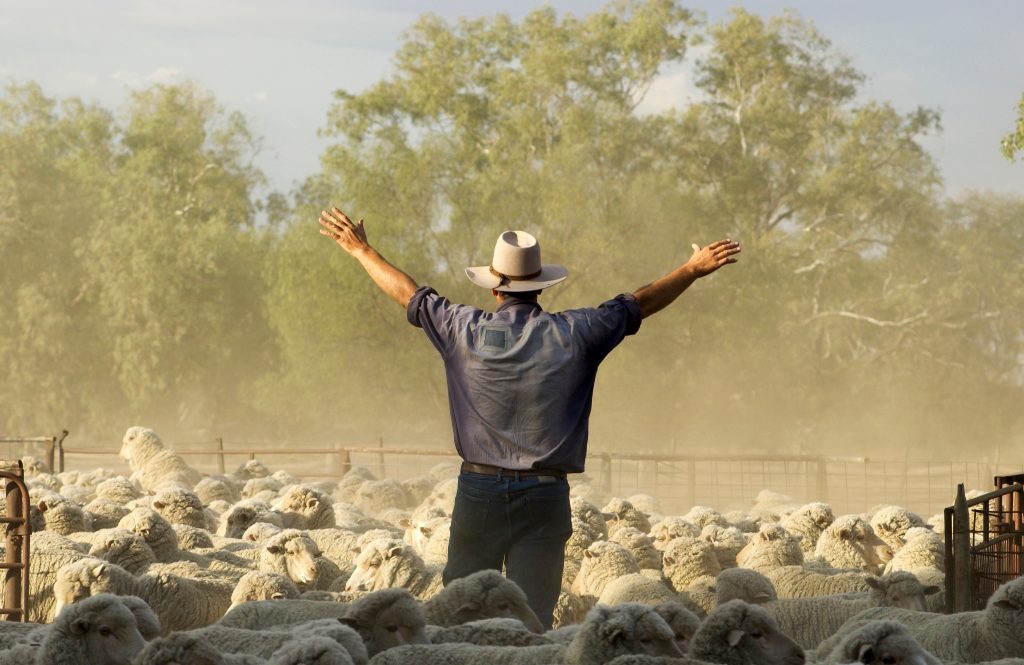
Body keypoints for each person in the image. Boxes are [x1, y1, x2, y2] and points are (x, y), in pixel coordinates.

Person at [318, 207, 740, 628]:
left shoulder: (461, 329)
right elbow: (637, 304)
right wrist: (691, 269)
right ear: (540, 287)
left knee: (460, 612)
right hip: (544, 495)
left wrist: (361, 250)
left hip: (479, 488)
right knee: (531, 617)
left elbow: (409, 294)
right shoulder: (578, 332)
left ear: (494, 288)